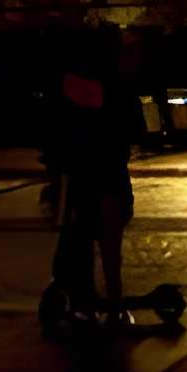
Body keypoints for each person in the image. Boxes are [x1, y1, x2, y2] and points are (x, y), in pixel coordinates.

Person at [41, 64, 135, 314]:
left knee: (84, 242)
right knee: (104, 247)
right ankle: (106, 298)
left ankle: (90, 297)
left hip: (89, 181)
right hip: (100, 180)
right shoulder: (110, 99)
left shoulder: (72, 104)